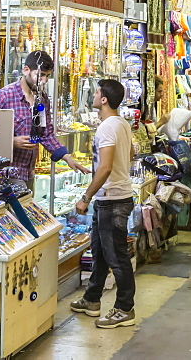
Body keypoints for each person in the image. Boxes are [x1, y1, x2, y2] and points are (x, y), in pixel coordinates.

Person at [70, 79, 136, 328]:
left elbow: (106, 167)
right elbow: (129, 154)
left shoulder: (108, 127)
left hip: (112, 199)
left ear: (104, 99)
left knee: (117, 257)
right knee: (99, 252)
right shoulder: (121, 123)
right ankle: (92, 299)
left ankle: (124, 309)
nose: (94, 95)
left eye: (97, 92)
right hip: (111, 198)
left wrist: (85, 196)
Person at [0, 51, 87, 187]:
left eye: (47, 76)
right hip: (7, 175)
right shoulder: (4, 97)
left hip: (29, 173)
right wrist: (10, 141)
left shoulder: (42, 99)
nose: (44, 80)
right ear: (26, 70)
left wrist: (66, 157)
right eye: (40, 75)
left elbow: (46, 134)